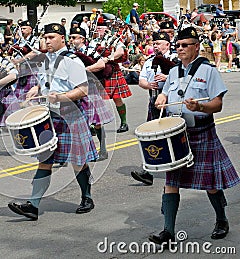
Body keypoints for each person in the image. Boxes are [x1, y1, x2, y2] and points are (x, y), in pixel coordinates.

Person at [149, 26, 240, 246]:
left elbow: (217, 105)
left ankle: (221, 220)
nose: (179, 49)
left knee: (210, 182)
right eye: (177, 45)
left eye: (184, 45)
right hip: (177, 131)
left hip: (201, 130)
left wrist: (200, 106)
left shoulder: (209, 71)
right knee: (171, 181)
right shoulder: (173, 71)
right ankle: (168, 231)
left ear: (196, 47)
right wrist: (161, 97)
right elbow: (166, 92)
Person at [7, 23, 99, 220]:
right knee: (45, 160)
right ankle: (33, 205)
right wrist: (37, 89)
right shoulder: (46, 60)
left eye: (51, 37)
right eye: (45, 37)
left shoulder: (72, 61)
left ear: (62, 39)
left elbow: (83, 89)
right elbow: (47, 82)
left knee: (77, 161)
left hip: (70, 114)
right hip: (50, 116)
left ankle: (87, 197)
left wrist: (61, 97)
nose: (47, 41)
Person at [131, 32, 174, 185]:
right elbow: (141, 79)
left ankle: (178, 166)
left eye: (159, 43)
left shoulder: (175, 59)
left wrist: (167, 77)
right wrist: (148, 85)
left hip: (171, 102)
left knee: (174, 136)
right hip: (153, 100)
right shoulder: (149, 61)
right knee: (151, 135)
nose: (155, 46)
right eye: (154, 43)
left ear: (167, 45)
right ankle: (148, 172)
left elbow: (184, 77)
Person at [69, 27, 114, 161]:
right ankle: (86, 151)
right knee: (80, 122)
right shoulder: (69, 53)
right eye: (70, 37)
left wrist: (82, 70)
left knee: (97, 122)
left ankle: (103, 149)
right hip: (74, 89)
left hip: (90, 88)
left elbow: (100, 65)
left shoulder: (90, 51)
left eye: (74, 37)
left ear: (82, 39)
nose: (71, 40)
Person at [86, 34, 132, 133]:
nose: (99, 30)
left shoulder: (112, 39)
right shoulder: (91, 40)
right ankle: (94, 124)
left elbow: (120, 52)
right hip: (97, 72)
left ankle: (124, 122)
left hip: (112, 71)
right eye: (97, 27)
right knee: (94, 99)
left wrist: (107, 58)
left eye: (101, 28)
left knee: (117, 98)